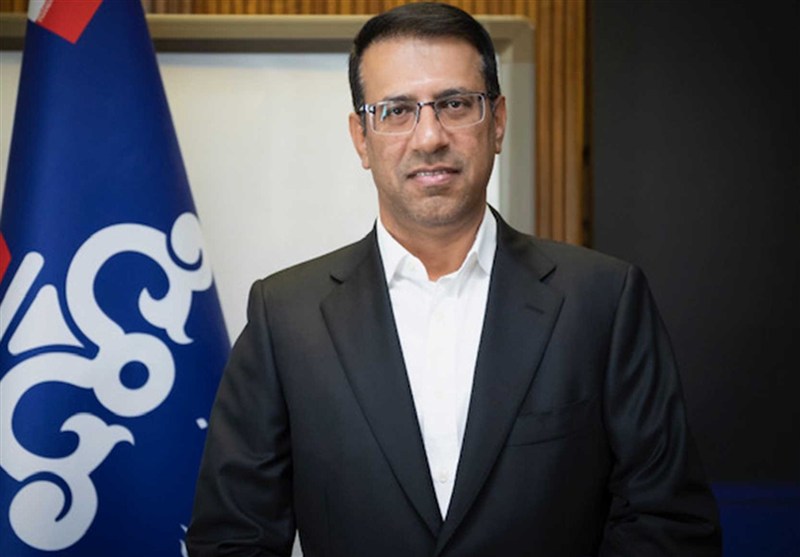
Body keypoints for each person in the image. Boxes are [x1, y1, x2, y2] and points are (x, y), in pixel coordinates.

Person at [186, 3, 721, 556]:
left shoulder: (603, 300)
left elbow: (669, 524)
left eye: (455, 104)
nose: (429, 137)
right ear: (361, 138)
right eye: (396, 110)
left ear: (498, 121)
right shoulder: (285, 317)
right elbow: (232, 538)